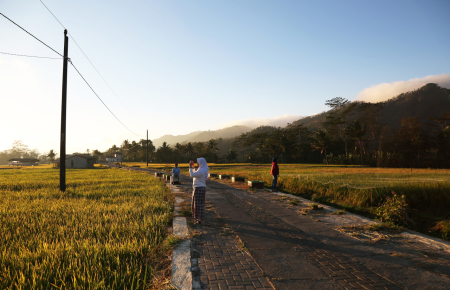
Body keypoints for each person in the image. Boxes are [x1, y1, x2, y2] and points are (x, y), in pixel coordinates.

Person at [189, 158, 209, 224]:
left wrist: (190, 167)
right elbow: (195, 174)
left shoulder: (201, 171)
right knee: (200, 204)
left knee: (197, 204)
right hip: (201, 188)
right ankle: (200, 219)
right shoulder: (203, 169)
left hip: (198, 188)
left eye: (198, 163)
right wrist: (193, 167)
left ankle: (200, 220)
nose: (197, 164)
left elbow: (192, 175)